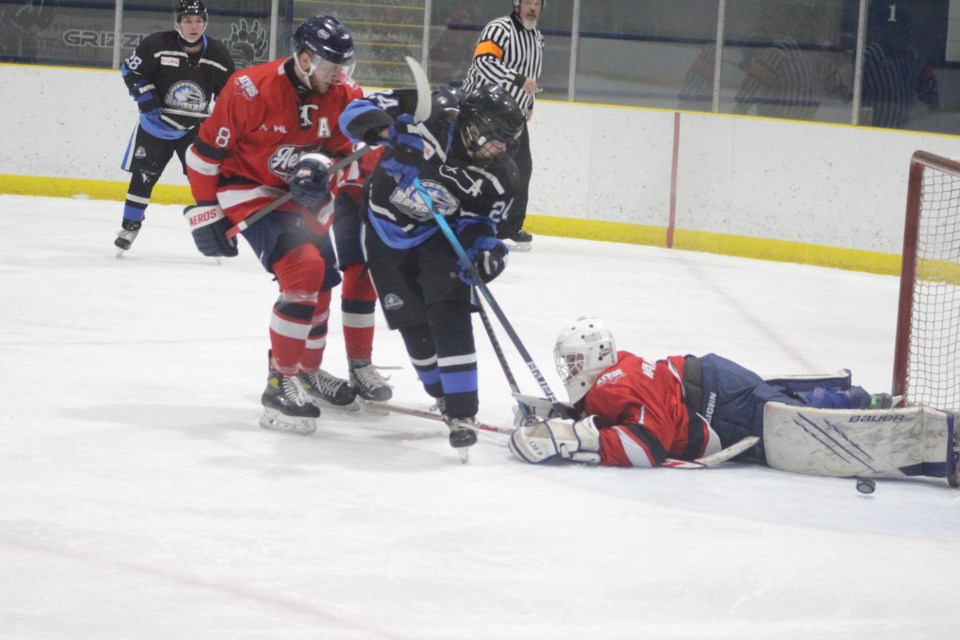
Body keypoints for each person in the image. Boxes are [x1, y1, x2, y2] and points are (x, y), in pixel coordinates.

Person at [184, 15, 390, 436]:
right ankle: (279, 381)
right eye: (332, 66)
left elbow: (341, 152)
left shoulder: (343, 93)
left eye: (344, 67)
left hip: (301, 198)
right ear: (305, 58)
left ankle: (306, 371)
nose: (339, 76)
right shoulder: (250, 88)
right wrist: (205, 212)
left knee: (323, 283)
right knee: (304, 270)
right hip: (251, 190)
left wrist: (323, 173)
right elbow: (202, 155)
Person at [506, 318, 954, 476]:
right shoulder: (617, 371)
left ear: (592, 358)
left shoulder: (608, 387)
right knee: (785, 404)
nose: (567, 371)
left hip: (723, 406)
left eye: (571, 361)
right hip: (715, 383)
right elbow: (635, 414)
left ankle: (932, 435)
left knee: (803, 424)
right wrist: (561, 417)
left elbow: (649, 444)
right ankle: (868, 399)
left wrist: (577, 441)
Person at [339, 82, 525, 453]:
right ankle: (440, 392)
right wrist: (389, 131)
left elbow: (481, 223)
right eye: (496, 140)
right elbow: (351, 115)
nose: (501, 149)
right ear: (474, 127)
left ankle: (462, 411)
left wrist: (488, 250)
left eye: (507, 142)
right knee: (414, 330)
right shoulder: (431, 110)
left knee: (451, 308)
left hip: (438, 237)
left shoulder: (500, 174)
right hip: (383, 231)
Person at [113, 0, 235, 256]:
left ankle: (216, 232)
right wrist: (144, 94)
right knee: (143, 178)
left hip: (194, 129)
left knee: (203, 181)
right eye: (188, 21)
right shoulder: (157, 44)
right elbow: (131, 72)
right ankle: (129, 228)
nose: (194, 26)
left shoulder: (218, 53)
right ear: (177, 23)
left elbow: (228, 95)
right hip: (155, 126)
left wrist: (224, 121)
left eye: (199, 20)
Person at [461, 0, 544, 252]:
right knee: (486, 168)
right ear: (517, 4)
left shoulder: (538, 37)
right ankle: (473, 220)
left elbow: (533, 72)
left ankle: (510, 226)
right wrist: (517, 80)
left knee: (522, 167)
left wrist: (530, 102)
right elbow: (483, 61)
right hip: (483, 111)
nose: (533, 7)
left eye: (538, 3)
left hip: (513, 115)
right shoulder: (499, 29)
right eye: (528, 2)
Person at [861, 3, 938, 130]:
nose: (894, 34)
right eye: (888, 29)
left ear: (906, 31)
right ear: (879, 30)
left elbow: (930, 93)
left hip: (903, 129)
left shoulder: (913, 57)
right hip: (871, 129)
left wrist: (929, 97)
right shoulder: (867, 55)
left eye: (898, 29)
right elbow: (849, 95)